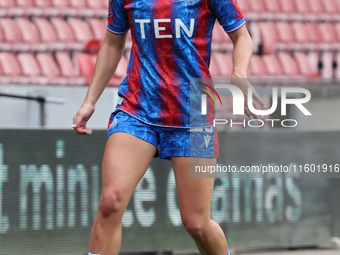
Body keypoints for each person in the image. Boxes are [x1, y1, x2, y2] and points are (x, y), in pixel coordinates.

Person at [73, 0, 265, 254]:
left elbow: (242, 37)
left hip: (194, 115)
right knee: (110, 202)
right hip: (137, 108)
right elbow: (112, 42)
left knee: (197, 224)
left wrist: (239, 74)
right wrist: (90, 101)